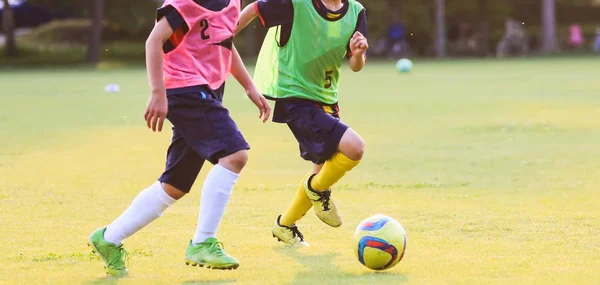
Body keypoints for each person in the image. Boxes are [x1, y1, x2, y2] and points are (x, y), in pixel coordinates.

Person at [88, 0, 271, 276]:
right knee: (235, 155)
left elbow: (225, 43)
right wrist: (157, 92)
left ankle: (109, 238)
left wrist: (249, 86)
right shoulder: (186, 3)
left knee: (175, 184)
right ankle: (202, 241)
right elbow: (154, 41)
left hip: (208, 90)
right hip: (184, 90)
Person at [235, 0, 367, 246]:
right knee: (354, 147)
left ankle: (284, 225)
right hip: (295, 98)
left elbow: (356, 65)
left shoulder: (356, 12)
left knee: (321, 170)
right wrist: (222, 38)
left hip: (327, 101)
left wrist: (358, 54)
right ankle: (317, 190)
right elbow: (256, 8)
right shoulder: (296, 3)